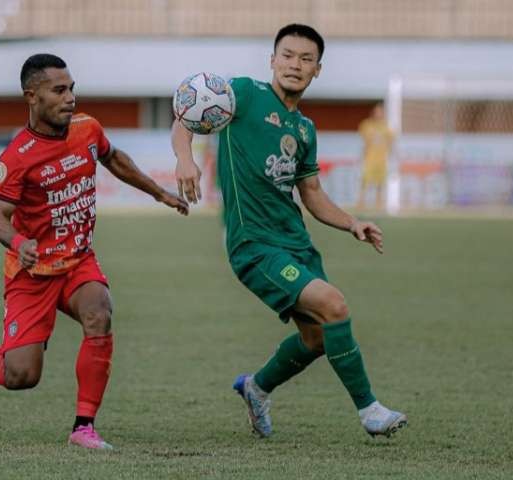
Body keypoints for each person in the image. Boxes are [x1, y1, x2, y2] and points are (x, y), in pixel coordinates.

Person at [0, 54, 188, 450]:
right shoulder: (16, 157)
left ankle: (83, 428)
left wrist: (158, 192)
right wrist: (21, 245)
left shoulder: (87, 129)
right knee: (21, 375)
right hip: (32, 273)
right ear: (32, 96)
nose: (70, 97)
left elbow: (114, 159)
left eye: (72, 88)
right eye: (59, 90)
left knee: (99, 312)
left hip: (76, 260)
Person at [171, 24, 407, 438]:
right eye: (288, 55)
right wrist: (185, 158)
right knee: (334, 304)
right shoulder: (242, 93)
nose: (295, 65)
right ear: (273, 60)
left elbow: (312, 193)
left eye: (305, 59)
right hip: (253, 244)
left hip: (295, 243)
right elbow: (185, 115)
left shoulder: (305, 130)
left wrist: (352, 223)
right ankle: (369, 410)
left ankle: (257, 388)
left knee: (317, 338)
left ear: (317, 70)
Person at [357, 102, 394, 210]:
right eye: (377, 111)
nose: (379, 114)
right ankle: (361, 202)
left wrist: (391, 155)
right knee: (365, 181)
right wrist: (362, 156)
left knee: (380, 183)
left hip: (381, 160)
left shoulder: (386, 127)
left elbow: (391, 143)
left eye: (381, 112)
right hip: (369, 159)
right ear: (373, 112)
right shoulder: (366, 125)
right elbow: (364, 143)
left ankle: (378, 203)